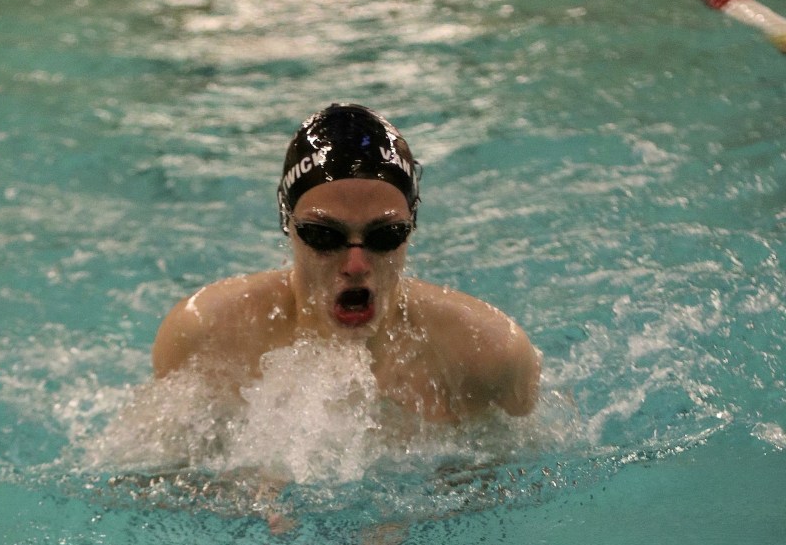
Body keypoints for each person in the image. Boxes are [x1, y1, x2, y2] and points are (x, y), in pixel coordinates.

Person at [152, 103, 540, 423]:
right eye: (324, 236)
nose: (355, 264)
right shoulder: (205, 337)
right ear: (287, 224)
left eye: (384, 236)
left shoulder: (491, 356)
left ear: (411, 228)